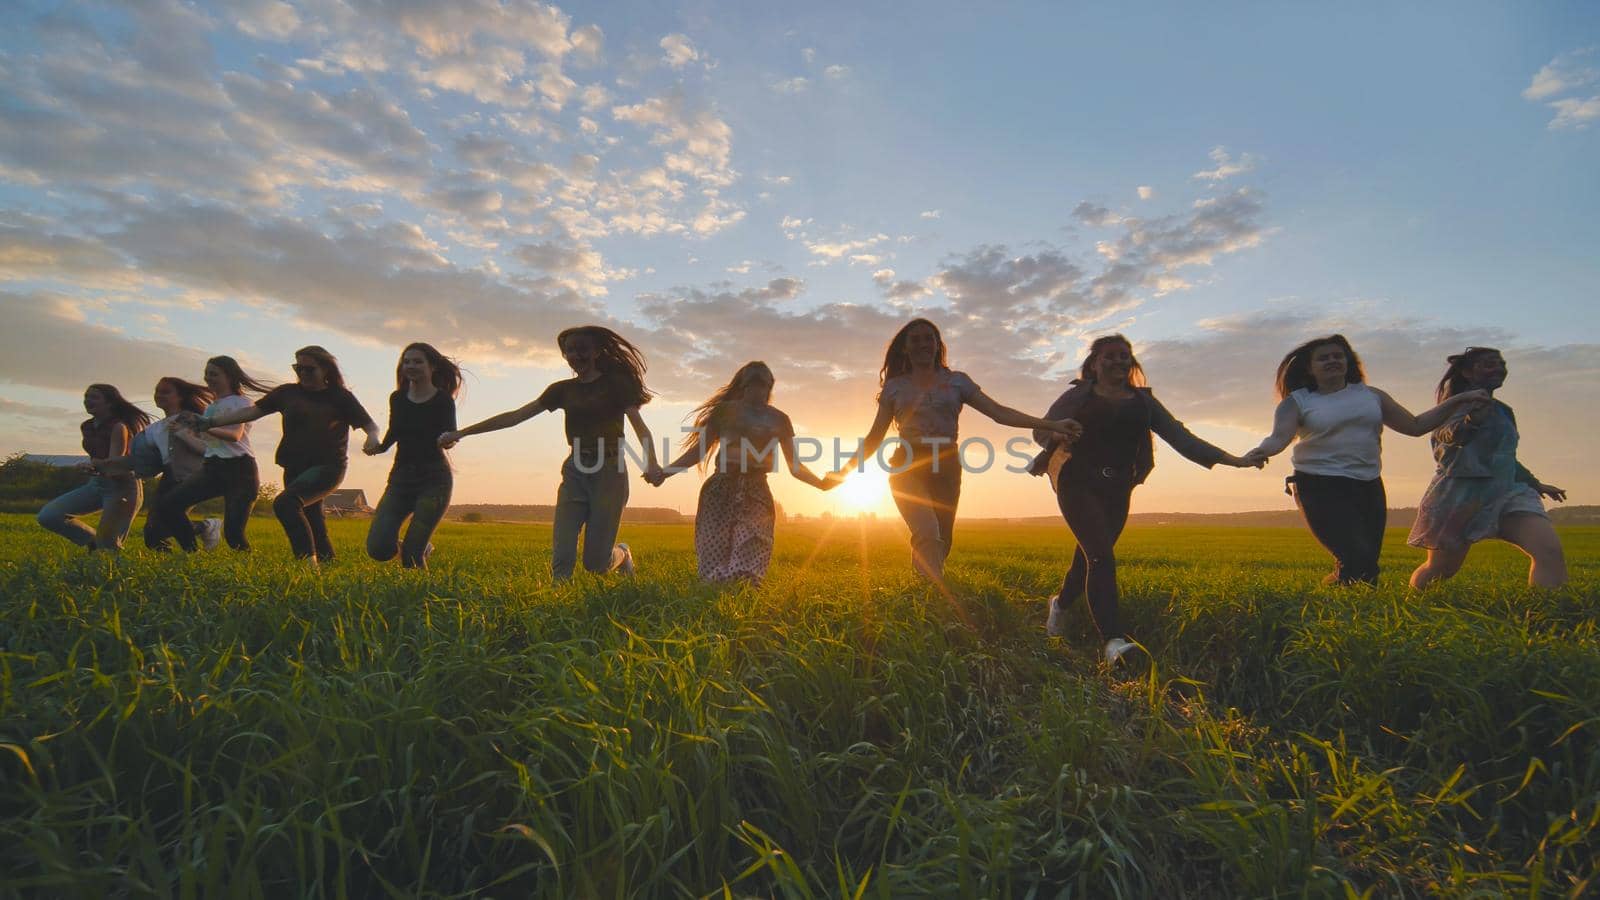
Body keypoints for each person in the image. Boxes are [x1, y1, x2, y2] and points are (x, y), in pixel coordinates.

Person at [1031, 334, 1261, 664]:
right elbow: (1041, 431)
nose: (1118, 361)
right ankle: (1113, 642)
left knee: (1091, 557)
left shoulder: (1143, 403)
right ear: (1094, 364)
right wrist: (1057, 432)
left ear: (1132, 362)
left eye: (1124, 356)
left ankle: (1062, 604)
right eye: (1109, 356)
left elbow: (1182, 437)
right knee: (1100, 557)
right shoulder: (1077, 395)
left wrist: (1234, 459)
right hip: (1075, 482)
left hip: (1117, 487)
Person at [828, 318, 1083, 582]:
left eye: (929, 338)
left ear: (938, 345)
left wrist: (1052, 424)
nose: (922, 344)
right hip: (907, 463)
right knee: (927, 531)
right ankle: (931, 597)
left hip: (946, 465)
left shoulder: (957, 382)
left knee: (943, 539)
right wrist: (843, 472)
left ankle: (924, 586)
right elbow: (873, 438)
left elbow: (999, 413)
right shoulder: (895, 387)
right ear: (904, 348)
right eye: (915, 339)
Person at [1243, 335, 1488, 587]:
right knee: (1355, 557)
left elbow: (1415, 426)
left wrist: (1458, 400)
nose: (1332, 361)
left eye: (1338, 356)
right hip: (1317, 484)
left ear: (1348, 362)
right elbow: (1279, 437)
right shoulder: (1298, 401)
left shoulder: (1372, 396)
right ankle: (1336, 611)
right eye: (1323, 358)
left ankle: (1339, 606)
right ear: (1310, 367)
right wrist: (1260, 452)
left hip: (1367, 484)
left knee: (1367, 564)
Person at [439, 326, 662, 580]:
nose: (575, 356)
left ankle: (622, 553)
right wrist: (462, 433)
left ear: (597, 351)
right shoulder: (561, 390)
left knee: (596, 564)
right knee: (562, 556)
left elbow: (640, 428)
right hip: (576, 468)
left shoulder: (616, 385)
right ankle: (558, 603)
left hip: (610, 471)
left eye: (582, 349)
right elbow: (515, 416)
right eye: (569, 351)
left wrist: (652, 463)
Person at [647, 361, 835, 584]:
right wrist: (665, 473)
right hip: (720, 488)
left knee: (752, 551)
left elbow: (795, 467)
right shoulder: (724, 412)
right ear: (743, 386)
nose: (759, 390)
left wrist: (822, 484)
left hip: (756, 492)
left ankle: (742, 592)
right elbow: (697, 452)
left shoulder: (779, 419)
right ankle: (716, 600)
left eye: (764, 385)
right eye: (753, 384)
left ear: (770, 387)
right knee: (712, 559)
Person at [195, 346, 379, 563]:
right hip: (294, 467)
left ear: (325, 369)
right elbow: (251, 412)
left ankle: (306, 564)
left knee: (286, 504)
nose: (302, 374)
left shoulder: (340, 397)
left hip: (328, 467)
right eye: (298, 368)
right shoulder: (287, 393)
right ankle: (327, 564)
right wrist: (212, 422)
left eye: (309, 369)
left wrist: (372, 438)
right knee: (313, 522)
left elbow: (370, 425)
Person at [1408, 347, 1568, 589]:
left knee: (1548, 550)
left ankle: (1546, 616)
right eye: (1488, 364)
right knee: (1441, 569)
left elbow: (1505, 456)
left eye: (1501, 363)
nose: (1499, 368)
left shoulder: (1504, 410)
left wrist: (1535, 483)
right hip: (1460, 495)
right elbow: (1445, 439)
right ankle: (1414, 605)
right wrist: (1471, 423)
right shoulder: (1454, 405)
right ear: (1467, 372)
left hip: (1509, 493)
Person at [157, 356, 270, 552]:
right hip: (212, 467)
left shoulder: (239, 402)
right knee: (169, 505)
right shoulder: (212, 407)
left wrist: (205, 426)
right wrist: (183, 433)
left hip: (240, 470)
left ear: (229, 376)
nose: (208, 378)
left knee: (234, 534)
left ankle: (246, 567)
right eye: (207, 374)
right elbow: (210, 445)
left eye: (214, 374)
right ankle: (190, 553)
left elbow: (235, 436)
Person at [95, 377, 222, 551]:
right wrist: (101, 465)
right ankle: (201, 531)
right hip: (169, 477)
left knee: (171, 516)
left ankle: (192, 554)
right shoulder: (154, 429)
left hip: (191, 476)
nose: (159, 395)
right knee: (152, 535)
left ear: (180, 397)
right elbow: (138, 460)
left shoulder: (191, 420)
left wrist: (185, 435)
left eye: (166, 392)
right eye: (157, 391)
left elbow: (212, 449)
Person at [365, 343, 460, 568]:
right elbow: (395, 430)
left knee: (411, 557)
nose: (410, 366)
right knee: (378, 548)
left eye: (418, 361)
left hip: (434, 480)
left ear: (432, 367)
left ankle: (420, 592)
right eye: (406, 361)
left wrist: (449, 440)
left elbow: (451, 434)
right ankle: (419, 547)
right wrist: (378, 446)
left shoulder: (443, 400)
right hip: (401, 479)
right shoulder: (397, 398)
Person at [37, 384, 151, 552]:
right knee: (49, 516)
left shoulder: (119, 426)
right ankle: (93, 543)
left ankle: (111, 566)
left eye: (94, 397)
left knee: (109, 545)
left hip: (122, 488)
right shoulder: (87, 426)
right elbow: (98, 460)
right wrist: (91, 468)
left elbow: (113, 464)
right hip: (97, 483)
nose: (87, 400)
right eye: (86, 397)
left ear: (110, 403)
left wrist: (93, 465)